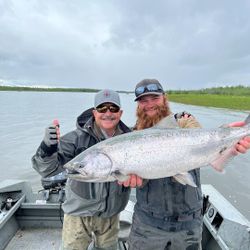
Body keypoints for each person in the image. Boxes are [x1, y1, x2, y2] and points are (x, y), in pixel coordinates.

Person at [121, 79, 250, 250]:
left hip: (189, 224)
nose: (150, 104)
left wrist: (230, 145)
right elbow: (140, 177)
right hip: (147, 224)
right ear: (138, 105)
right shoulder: (132, 137)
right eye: (144, 100)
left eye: (154, 98)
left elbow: (201, 141)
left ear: (164, 98)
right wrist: (132, 179)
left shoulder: (183, 120)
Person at [32, 89, 131, 250]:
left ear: (120, 113)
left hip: (111, 215)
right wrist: (47, 149)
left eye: (112, 108)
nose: (107, 113)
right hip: (78, 214)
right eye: (102, 108)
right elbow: (47, 170)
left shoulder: (129, 138)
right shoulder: (74, 139)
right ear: (94, 112)